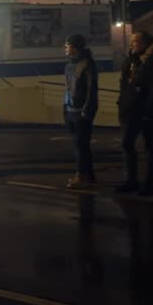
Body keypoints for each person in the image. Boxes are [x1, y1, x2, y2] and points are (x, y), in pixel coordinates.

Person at [116, 31, 153, 195]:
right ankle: (131, 181)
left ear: (145, 43)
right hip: (129, 110)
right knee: (127, 144)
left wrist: (150, 113)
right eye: (131, 41)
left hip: (144, 112)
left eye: (135, 41)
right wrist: (121, 104)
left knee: (149, 146)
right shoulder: (131, 61)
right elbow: (125, 85)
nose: (132, 44)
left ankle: (148, 184)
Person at [63, 33, 99, 189]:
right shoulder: (69, 65)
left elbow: (92, 90)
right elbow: (68, 87)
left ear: (75, 47)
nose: (65, 48)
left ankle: (82, 176)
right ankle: (88, 175)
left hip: (81, 111)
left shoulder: (87, 65)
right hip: (71, 109)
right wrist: (65, 107)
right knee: (80, 145)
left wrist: (86, 110)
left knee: (81, 145)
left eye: (67, 45)